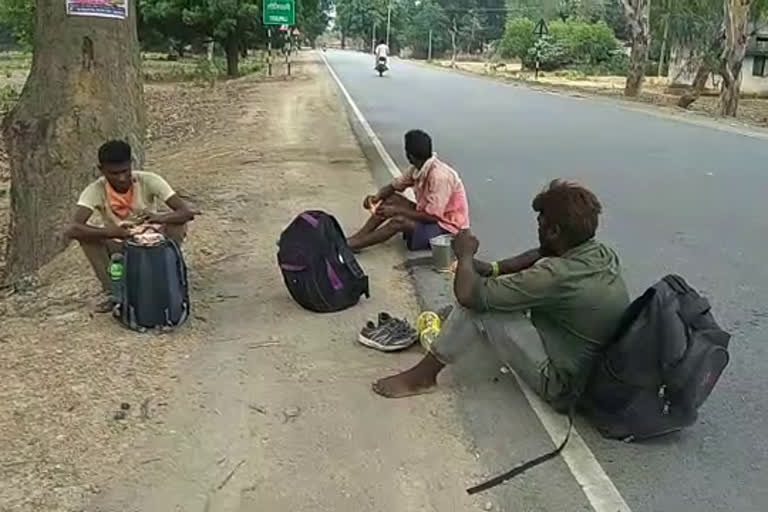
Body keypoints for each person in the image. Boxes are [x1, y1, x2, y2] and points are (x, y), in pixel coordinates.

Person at [372, 180, 630, 411]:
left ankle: (423, 377)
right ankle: (449, 336)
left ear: (554, 232)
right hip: (592, 372)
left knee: (479, 307)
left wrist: (465, 255)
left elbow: (469, 296)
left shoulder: (555, 275)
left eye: (541, 224)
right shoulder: (599, 253)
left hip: (563, 386)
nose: (538, 229)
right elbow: (542, 252)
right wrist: (496, 268)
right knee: (494, 291)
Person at [65, 140, 196, 311]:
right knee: (88, 239)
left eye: (125, 171)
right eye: (113, 173)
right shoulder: (95, 190)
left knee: (178, 224)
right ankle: (113, 291)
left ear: (131, 164)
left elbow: (186, 212)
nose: (121, 178)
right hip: (120, 243)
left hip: (153, 240)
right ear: (101, 169)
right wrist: (109, 232)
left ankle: (169, 271)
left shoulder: (148, 180)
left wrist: (159, 218)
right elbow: (73, 228)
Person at [347, 129, 469, 251]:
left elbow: (433, 217)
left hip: (447, 229)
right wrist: (376, 198)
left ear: (409, 155)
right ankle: (357, 238)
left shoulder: (439, 176)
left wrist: (397, 211)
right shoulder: (418, 168)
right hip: (430, 217)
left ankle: (354, 245)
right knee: (391, 199)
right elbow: (394, 186)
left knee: (398, 221)